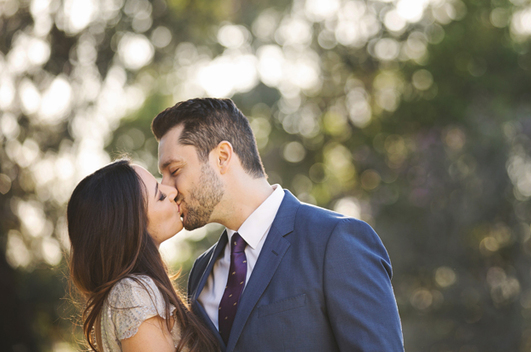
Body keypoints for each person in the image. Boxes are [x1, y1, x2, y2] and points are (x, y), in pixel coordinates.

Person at [152, 98, 405, 352]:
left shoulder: (335, 241)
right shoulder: (201, 271)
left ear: (222, 157)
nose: (166, 188)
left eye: (174, 171)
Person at [67, 159, 220, 352]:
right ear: (130, 225)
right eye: (160, 196)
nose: (172, 192)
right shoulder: (132, 293)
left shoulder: (126, 292)